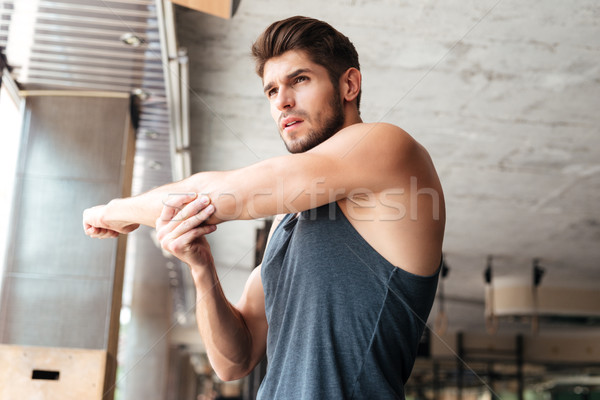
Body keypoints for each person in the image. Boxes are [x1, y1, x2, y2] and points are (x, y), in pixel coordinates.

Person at [83, 16, 445, 399]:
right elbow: (233, 362)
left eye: (299, 80)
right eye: (271, 90)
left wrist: (113, 211)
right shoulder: (288, 218)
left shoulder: (386, 146)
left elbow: (216, 195)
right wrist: (201, 266)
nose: (282, 101)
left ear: (349, 85)